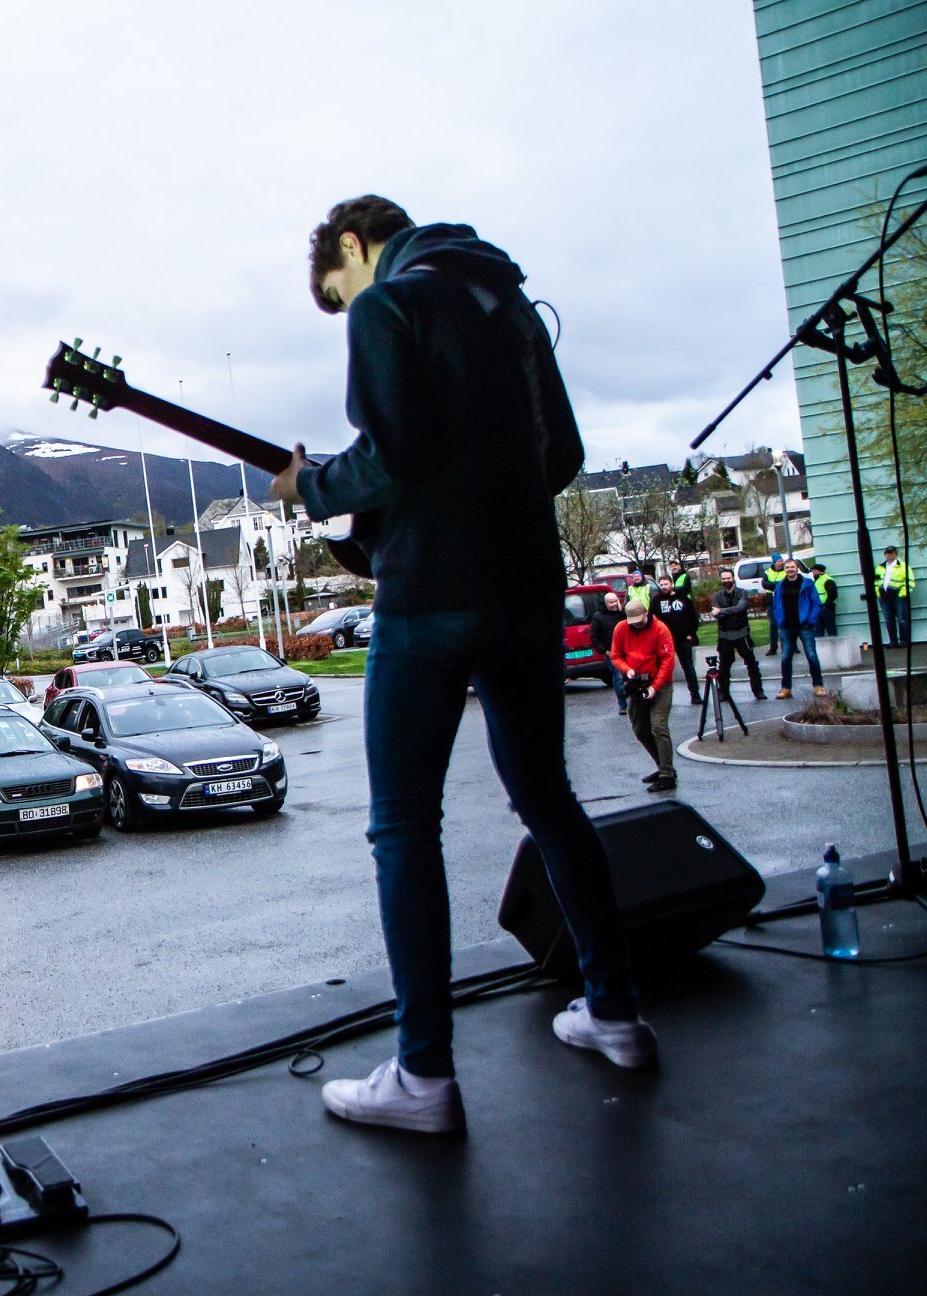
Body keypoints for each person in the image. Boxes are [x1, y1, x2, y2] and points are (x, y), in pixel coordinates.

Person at [273, 196, 653, 1135]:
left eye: (339, 285)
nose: (347, 302)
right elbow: (560, 452)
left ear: (355, 247)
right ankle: (615, 1013)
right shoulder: (509, 305)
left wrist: (309, 487)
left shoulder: (389, 304)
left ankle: (425, 1074)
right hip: (529, 591)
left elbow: (389, 461)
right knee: (549, 799)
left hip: (431, 601)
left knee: (403, 828)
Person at [609, 599, 677, 792]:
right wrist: (627, 670)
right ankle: (663, 765)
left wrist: (655, 687)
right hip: (636, 683)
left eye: (640, 621)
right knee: (640, 729)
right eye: (633, 622)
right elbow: (615, 656)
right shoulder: (621, 628)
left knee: (658, 726)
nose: (637, 625)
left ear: (646, 613)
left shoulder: (660, 629)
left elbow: (667, 661)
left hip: (660, 684)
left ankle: (667, 775)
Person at [708, 567, 766, 701]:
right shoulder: (717, 596)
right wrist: (726, 613)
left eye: (728, 578)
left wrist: (722, 611)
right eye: (723, 579)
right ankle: (723, 693)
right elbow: (717, 615)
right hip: (724, 635)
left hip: (742, 634)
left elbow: (740, 608)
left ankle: (758, 691)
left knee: (751, 664)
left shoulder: (742, 593)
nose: (726, 580)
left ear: (733, 578)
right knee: (724, 666)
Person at [772, 557, 826, 699]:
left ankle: (818, 686)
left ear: (797, 568)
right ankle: (786, 688)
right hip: (786, 626)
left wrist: (810, 620)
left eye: (792, 567)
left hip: (805, 626)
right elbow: (776, 605)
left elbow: (816, 603)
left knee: (811, 655)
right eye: (787, 567)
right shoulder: (780, 586)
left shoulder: (807, 584)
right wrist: (779, 620)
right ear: (784, 569)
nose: (790, 569)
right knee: (785, 657)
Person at [651, 575, 701, 705]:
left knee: (688, 667)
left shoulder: (683, 598)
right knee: (662, 668)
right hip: (665, 641)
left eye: (666, 584)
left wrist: (691, 633)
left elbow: (693, 617)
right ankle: (660, 696)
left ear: (671, 584)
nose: (664, 587)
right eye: (661, 585)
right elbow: (652, 620)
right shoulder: (656, 601)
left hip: (683, 639)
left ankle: (695, 694)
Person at [590, 591, 630, 715]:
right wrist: (604, 651)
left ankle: (636, 701)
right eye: (611, 602)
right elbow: (594, 636)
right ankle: (622, 705)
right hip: (612, 653)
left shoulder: (622, 614)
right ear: (606, 603)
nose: (613, 604)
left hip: (627, 651)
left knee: (632, 676)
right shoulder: (598, 616)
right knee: (618, 679)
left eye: (615, 601)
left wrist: (620, 609)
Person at [876, 545, 913, 647]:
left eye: (892, 553)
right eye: (888, 553)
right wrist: (879, 594)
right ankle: (893, 642)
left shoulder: (903, 566)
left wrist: (901, 594)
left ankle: (904, 641)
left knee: (902, 619)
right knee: (889, 620)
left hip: (898, 596)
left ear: (896, 554)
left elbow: (910, 582)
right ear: (885, 554)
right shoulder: (880, 567)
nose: (890, 555)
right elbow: (875, 582)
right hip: (884, 597)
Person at [762, 554, 786, 655]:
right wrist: (778, 584)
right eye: (778, 561)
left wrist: (774, 584)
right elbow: (765, 584)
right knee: (773, 624)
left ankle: (791, 647)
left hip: (784, 600)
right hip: (771, 601)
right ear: (774, 562)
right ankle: (773, 648)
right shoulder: (767, 572)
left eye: (781, 561)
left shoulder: (786, 571)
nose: (780, 563)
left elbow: (786, 583)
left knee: (786, 624)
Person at [810, 563, 838, 637]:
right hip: (819, 606)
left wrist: (826, 605)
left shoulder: (827, 580)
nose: (812, 572)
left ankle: (834, 644)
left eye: (813, 571)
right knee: (818, 628)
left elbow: (832, 594)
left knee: (830, 627)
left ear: (818, 571)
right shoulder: (817, 580)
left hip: (826, 607)